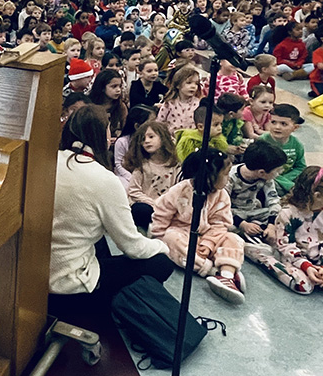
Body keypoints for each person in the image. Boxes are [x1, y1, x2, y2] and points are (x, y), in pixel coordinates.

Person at [48, 106, 173, 317]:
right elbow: (132, 246)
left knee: (98, 238)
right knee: (160, 263)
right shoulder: (104, 179)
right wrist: (161, 246)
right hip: (68, 288)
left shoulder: (49, 159)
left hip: (34, 275)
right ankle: (111, 307)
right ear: (101, 135)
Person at [245, 167, 323, 300]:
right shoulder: (288, 214)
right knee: (302, 286)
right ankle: (263, 256)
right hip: (294, 260)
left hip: (320, 259)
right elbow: (286, 247)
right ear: (317, 196)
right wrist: (306, 266)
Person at [151, 148, 247, 304]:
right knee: (170, 238)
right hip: (182, 234)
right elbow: (161, 214)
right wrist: (158, 238)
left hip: (209, 236)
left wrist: (209, 243)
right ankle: (215, 271)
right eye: (225, 174)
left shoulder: (222, 195)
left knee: (233, 238)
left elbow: (220, 224)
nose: (228, 179)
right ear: (209, 176)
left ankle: (227, 275)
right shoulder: (180, 191)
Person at [120, 119, 179, 232]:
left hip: (167, 207)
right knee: (140, 210)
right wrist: (153, 203)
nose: (146, 141)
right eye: (143, 139)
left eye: (151, 137)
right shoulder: (142, 166)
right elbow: (133, 190)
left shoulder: (175, 166)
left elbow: (177, 190)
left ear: (163, 138)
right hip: (147, 207)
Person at [226, 139, 286, 244]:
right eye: (277, 171)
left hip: (253, 211)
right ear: (261, 172)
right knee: (226, 227)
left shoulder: (266, 178)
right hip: (233, 215)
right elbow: (223, 207)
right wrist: (243, 224)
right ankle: (254, 232)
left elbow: (273, 199)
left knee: (284, 213)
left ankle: (260, 230)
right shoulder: (230, 178)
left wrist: (271, 225)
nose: (279, 173)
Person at [259, 103, 305, 194]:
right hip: (266, 179)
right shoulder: (262, 141)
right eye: (273, 122)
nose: (277, 127)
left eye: (283, 124)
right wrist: (288, 185)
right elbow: (258, 169)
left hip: (287, 179)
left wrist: (286, 180)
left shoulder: (297, 144)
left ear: (295, 127)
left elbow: (301, 167)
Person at [156, 65, 202, 134]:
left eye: (196, 83)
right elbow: (159, 123)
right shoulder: (169, 103)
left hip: (189, 139)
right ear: (178, 85)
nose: (193, 86)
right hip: (170, 139)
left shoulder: (198, 104)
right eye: (189, 83)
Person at [88, 69, 127, 144]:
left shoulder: (121, 106)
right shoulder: (89, 106)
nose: (118, 90)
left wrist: (118, 139)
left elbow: (125, 129)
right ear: (102, 87)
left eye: (120, 86)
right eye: (114, 86)